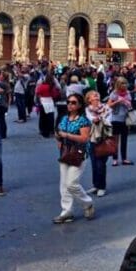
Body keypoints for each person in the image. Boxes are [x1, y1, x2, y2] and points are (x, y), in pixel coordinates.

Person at [53, 93, 95, 224]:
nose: (70, 105)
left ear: (80, 105)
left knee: (72, 183)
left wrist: (67, 135)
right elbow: (58, 133)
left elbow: (84, 138)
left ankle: (87, 203)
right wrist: (59, 138)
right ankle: (67, 211)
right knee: (64, 184)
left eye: (73, 102)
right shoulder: (64, 118)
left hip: (79, 153)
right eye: (68, 102)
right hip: (65, 152)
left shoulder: (83, 120)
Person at [108, 77, 134, 166]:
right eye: (122, 83)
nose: (124, 85)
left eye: (125, 83)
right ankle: (115, 159)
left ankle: (124, 158)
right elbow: (109, 105)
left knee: (124, 139)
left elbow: (130, 104)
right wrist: (117, 102)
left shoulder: (128, 93)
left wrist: (127, 103)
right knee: (115, 140)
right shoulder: (114, 93)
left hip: (125, 119)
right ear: (118, 84)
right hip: (115, 118)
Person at [35, 73, 60, 138]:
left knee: (42, 117)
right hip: (50, 102)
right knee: (50, 117)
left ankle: (43, 131)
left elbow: (37, 93)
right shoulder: (52, 86)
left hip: (42, 101)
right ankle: (50, 130)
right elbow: (55, 95)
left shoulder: (41, 85)